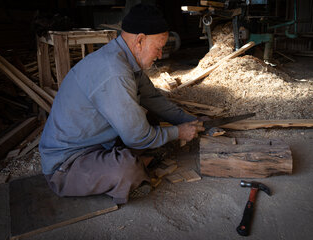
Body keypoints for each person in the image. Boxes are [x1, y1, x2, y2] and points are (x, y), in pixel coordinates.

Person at [39, 4, 205, 204]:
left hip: (97, 143)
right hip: (67, 163)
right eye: (159, 48)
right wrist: (178, 132)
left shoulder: (127, 61)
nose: (160, 55)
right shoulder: (114, 71)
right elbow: (138, 137)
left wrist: (192, 121)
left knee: (149, 117)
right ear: (140, 41)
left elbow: (154, 100)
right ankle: (138, 164)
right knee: (128, 171)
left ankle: (140, 158)